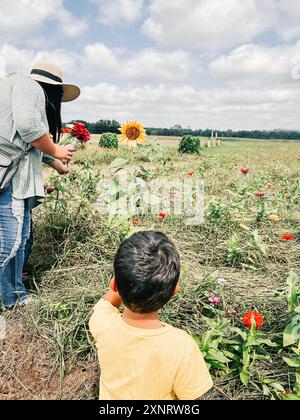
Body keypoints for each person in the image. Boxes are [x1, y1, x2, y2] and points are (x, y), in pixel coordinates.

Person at [89, 231, 213, 400]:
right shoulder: (181, 346)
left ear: (113, 284)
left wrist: (124, 283)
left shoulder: (103, 323)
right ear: (174, 291)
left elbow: (108, 301)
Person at [0, 62, 80, 309]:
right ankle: (13, 299)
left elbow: (19, 140)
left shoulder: (11, 86)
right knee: (12, 239)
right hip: (10, 176)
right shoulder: (30, 86)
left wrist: (54, 161)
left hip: (8, 170)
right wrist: (56, 148)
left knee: (19, 235)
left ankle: (13, 292)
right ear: (53, 89)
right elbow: (28, 128)